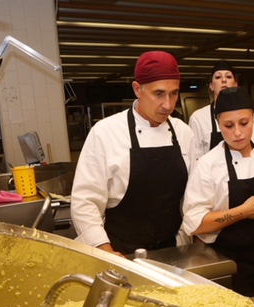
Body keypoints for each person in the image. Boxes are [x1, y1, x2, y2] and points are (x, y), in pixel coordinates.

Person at [71, 51, 195, 257]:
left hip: (174, 250)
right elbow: (85, 202)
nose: (168, 105)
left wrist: (184, 239)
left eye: (174, 93)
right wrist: (104, 249)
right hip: (121, 252)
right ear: (137, 89)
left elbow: (192, 197)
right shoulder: (106, 132)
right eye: (159, 93)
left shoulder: (183, 132)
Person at [183, 87, 254, 297]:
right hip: (232, 266)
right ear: (218, 125)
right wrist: (242, 212)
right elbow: (195, 224)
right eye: (228, 125)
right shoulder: (208, 165)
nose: (237, 132)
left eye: (244, 123)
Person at [189, 61, 238, 160]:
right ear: (211, 86)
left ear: (236, 84)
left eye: (228, 77)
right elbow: (196, 157)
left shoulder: (245, 115)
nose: (224, 80)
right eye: (218, 77)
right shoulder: (198, 118)